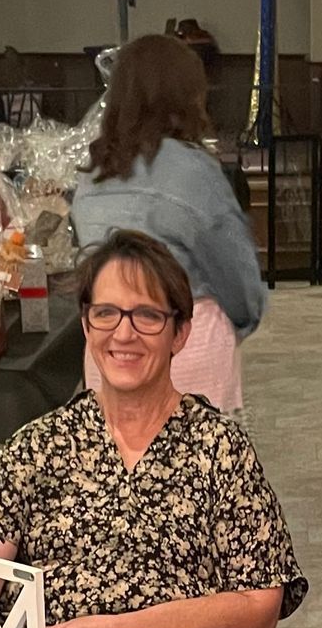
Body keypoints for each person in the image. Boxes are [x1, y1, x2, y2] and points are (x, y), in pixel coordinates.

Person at [0, 229, 305, 628]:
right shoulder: (38, 446)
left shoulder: (220, 448)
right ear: (87, 326)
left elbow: (257, 610)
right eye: (106, 313)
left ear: (180, 333)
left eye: (146, 315)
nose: (123, 333)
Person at [69, 33, 266, 415]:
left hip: (110, 350)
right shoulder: (194, 172)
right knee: (194, 471)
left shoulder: (92, 174)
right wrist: (242, 319)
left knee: (124, 468)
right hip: (181, 349)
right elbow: (234, 273)